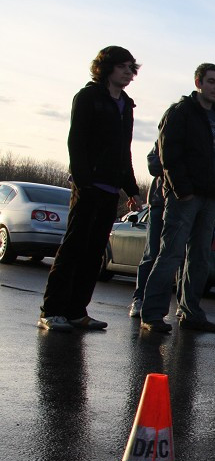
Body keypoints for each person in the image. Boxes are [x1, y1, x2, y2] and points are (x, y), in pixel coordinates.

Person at [39, 46, 142, 332]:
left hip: (111, 189)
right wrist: (82, 181)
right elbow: (77, 141)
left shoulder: (126, 105)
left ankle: (76, 311)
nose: (127, 73)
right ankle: (51, 310)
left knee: (94, 252)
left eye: (130, 68)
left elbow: (125, 151)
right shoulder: (88, 97)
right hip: (88, 187)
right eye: (122, 67)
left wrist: (131, 188)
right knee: (73, 247)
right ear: (106, 67)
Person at [140, 63, 215, 334]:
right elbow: (168, 155)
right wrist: (183, 190)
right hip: (185, 198)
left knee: (200, 257)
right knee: (170, 254)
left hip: (210, 198)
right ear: (198, 82)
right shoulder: (180, 113)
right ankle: (153, 314)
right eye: (211, 81)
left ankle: (191, 311)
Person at [129, 142, 165, 318]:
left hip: (183, 204)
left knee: (180, 257)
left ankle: (181, 305)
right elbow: (153, 164)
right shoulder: (166, 132)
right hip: (159, 202)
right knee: (152, 252)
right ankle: (139, 298)